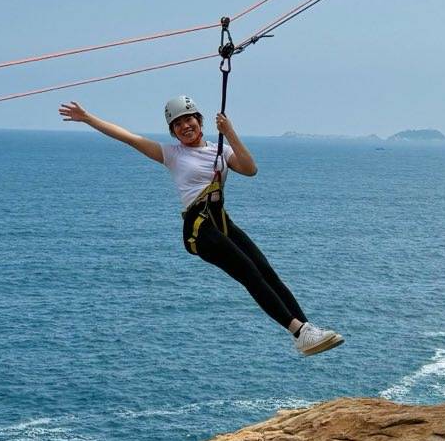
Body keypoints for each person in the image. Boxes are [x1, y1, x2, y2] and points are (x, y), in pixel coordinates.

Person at [58, 95, 344, 355]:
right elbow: (129, 138)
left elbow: (250, 169)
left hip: (221, 222)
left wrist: (229, 132)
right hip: (199, 230)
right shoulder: (172, 155)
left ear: (199, 120)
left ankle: (307, 331)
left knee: (266, 272)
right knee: (248, 273)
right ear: (172, 132)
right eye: (177, 124)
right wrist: (88, 118)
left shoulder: (221, 150)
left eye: (188, 119)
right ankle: (297, 330)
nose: (185, 126)